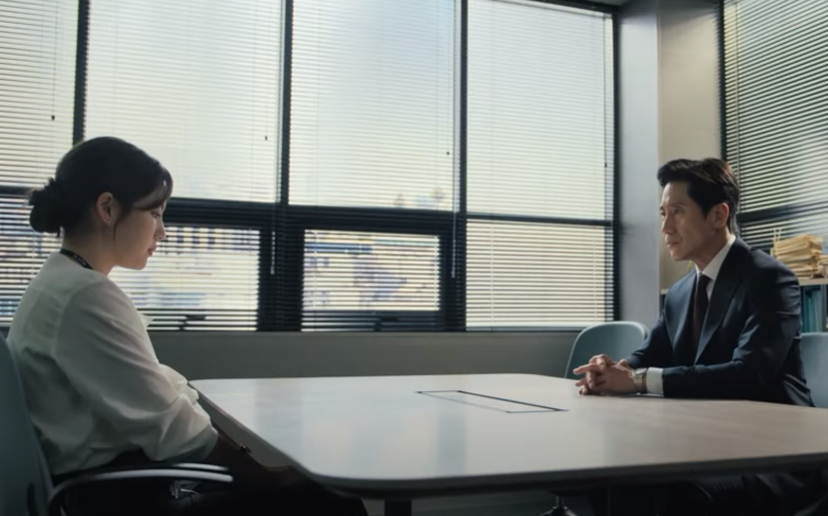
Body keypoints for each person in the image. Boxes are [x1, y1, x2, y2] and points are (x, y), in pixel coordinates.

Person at [7, 136, 368, 516]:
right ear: (107, 208)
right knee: (330, 497)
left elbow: (159, 388)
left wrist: (242, 459)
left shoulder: (59, 282)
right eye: (154, 213)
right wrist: (264, 476)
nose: (162, 232)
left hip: (110, 486)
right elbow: (169, 425)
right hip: (119, 499)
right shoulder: (84, 294)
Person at [572, 158, 826, 516]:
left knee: (671, 493)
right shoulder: (679, 291)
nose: (665, 227)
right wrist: (613, 369)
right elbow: (651, 353)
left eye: (677, 212)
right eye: (663, 213)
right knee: (613, 477)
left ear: (718, 215)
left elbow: (748, 373)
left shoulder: (769, 278)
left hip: (774, 452)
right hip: (704, 439)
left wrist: (637, 380)